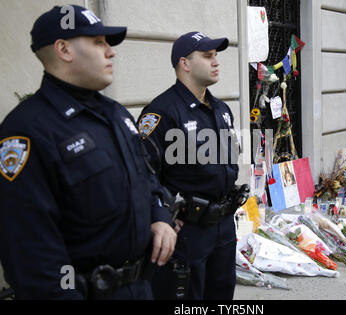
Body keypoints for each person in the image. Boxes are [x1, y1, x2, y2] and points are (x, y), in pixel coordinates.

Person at [0, 5, 176, 300]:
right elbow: (30, 254)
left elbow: (146, 178)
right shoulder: (27, 131)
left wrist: (159, 216)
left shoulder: (116, 114)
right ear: (64, 49)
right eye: (98, 42)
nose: (111, 52)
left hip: (140, 286)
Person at [137, 32, 247, 300]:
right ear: (185, 63)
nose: (216, 61)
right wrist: (159, 216)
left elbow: (227, 164)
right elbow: (143, 175)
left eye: (216, 56)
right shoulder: (161, 112)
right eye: (207, 56)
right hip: (188, 231)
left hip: (223, 227)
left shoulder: (221, 110)